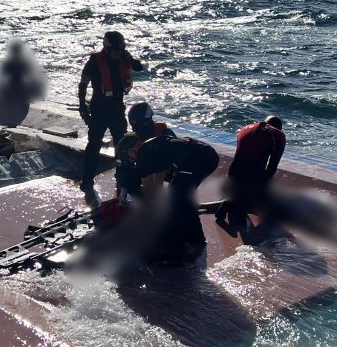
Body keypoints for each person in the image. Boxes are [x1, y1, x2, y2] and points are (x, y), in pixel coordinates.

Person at [115, 102, 219, 263]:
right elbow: (156, 183)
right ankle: (196, 240)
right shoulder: (148, 149)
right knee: (180, 197)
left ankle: (175, 254)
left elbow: (152, 195)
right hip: (199, 156)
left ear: (134, 149)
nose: (130, 158)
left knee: (177, 200)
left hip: (200, 159)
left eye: (129, 154)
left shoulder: (144, 156)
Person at [77, 30, 144, 193]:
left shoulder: (123, 59)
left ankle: (122, 176)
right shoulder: (95, 61)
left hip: (116, 109)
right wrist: (83, 107)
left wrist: (129, 58)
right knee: (93, 146)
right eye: (114, 51)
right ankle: (87, 180)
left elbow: (139, 67)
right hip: (99, 110)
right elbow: (83, 84)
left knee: (121, 145)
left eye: (119, 51)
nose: (117, 54)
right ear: (106, 49)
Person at [217, 115, 286, 234]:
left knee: (242, 194)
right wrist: (262, 188)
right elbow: (272, 166)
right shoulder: (278, 135)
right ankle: (233, 201)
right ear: (279, 128)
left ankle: (235, 197)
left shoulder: (246, 128)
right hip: (252, 174)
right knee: (261, 202)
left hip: (233, 171)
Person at [0, 39, 47, 126]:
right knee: (19, 108)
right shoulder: (24, 63)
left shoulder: (9, 62)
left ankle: (6, 123)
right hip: (21, 89)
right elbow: (32, 78)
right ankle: (12, 123)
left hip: (9, 88)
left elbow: (0, 78)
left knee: (2, 104)